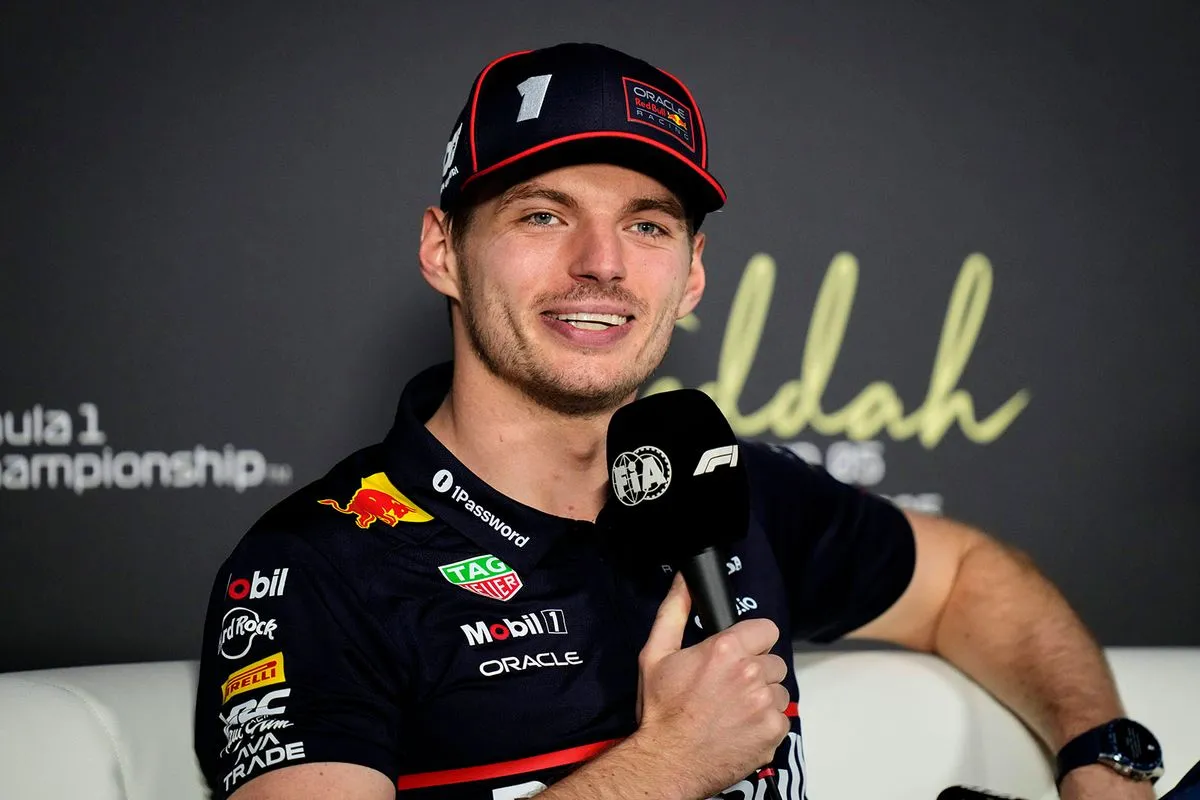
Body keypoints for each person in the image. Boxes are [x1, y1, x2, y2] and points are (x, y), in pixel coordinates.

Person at [195, 43, 1162, 800]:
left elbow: (966, 579)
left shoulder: (731, 488)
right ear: (443, 250)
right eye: (542, 215)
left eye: (648, 224)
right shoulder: (315, 568)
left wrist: (1101, 750)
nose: (602, 262)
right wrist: (668, 765)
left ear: (692, 275)